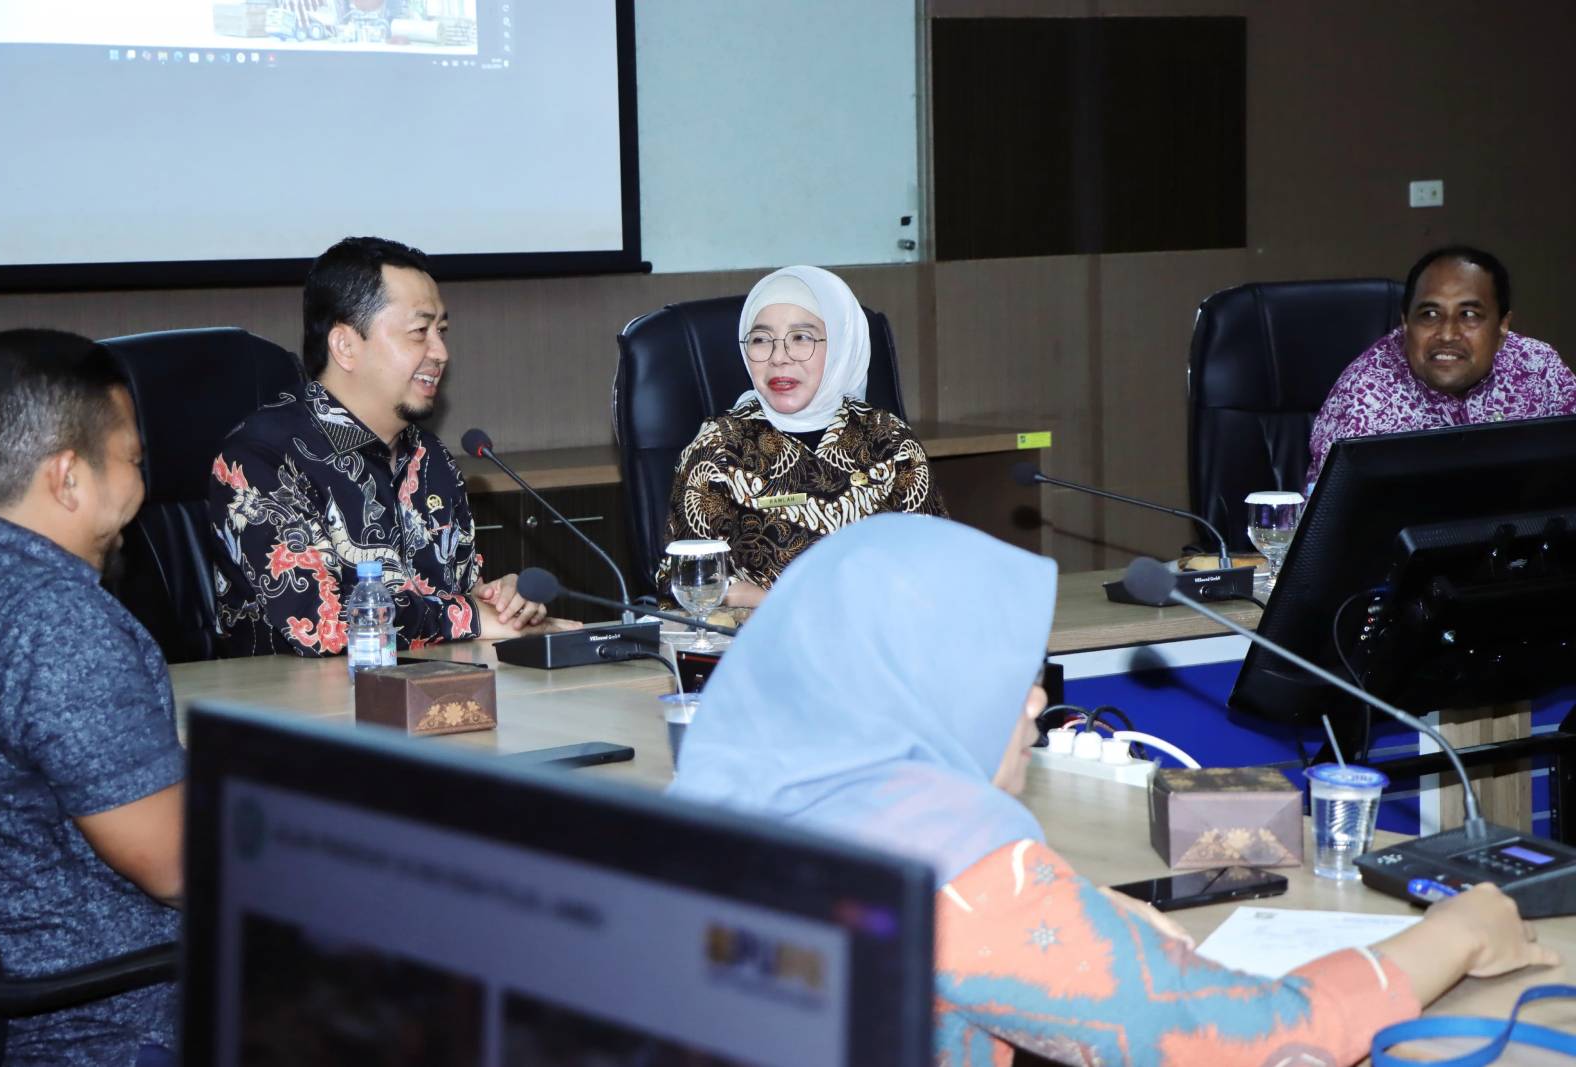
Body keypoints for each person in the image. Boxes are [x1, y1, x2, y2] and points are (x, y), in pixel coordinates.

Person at [670, 513, 1558, 1066]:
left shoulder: (730, 793)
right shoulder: (953, 871)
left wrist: (1075, 903)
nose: (1032, 706)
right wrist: (1455, 934)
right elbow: (1258, 1041)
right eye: (1004, 678)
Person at [0, 330, 184, 1066]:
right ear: (68, 477)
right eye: (131, 460)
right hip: (113, 1023)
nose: (141, 486)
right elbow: (178, 865)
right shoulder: (55, 619)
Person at [208, 236, 559, 656]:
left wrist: (502, 602)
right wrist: (467, 616)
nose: (441, 352)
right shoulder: (261, 458)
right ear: (346, 346)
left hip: (423, 695)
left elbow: (460, 597)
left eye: (441, 331)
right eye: (419, 332)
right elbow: (324, 626)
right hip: (298, 710)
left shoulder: (430, 458)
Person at [657, 265, 947, 608]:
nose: (779, 358)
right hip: (761, 642)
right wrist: (778, 603)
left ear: (840, 344)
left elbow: (936, 563)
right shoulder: (719, 448)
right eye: (761, 340)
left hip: (879, 639)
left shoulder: (889, 440)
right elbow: (687, 579)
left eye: (801, 337)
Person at [1307, 245, 1576, 484]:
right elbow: (1332, 529)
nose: (1447, 334)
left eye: (1469, 315)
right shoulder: (1365, 398)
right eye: (1430, 314)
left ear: (1502, 326)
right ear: (1405, 322)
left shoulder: (1539, 367)